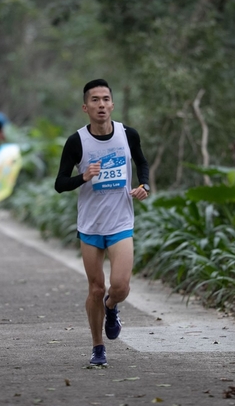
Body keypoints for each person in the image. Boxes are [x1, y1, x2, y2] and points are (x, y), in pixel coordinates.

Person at [54, 79, 150, 366]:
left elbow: (142, 162)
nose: (101, 105)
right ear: (86, 107)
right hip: (91, 227)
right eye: (95, 100)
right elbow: (60, 183)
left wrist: (144, 184)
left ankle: (112, 307)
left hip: (121, 222)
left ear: (112, 104)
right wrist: (82, 177)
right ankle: (98, 348)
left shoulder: (127, 134)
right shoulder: (77, 142)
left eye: (106, 99)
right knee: (95, 288)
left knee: (119, 287)